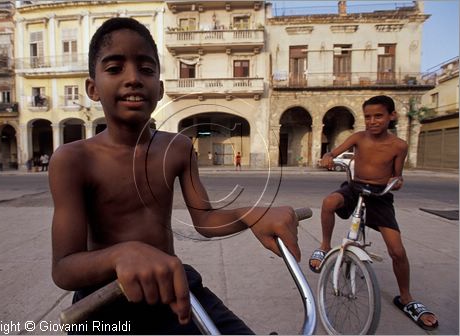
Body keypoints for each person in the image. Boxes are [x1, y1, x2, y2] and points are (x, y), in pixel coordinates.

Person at [49, 17, 301, 335]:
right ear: (92, 88)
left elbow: (205, 219)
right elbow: (64, 267)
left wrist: (251, 213)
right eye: (114, 69)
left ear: (160, 88)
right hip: (103, 300)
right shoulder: (72, 160)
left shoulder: (179, 147)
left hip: (174, 287)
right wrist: (122, 254)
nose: (133, 79)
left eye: (146, 69)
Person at [309, 95, 438, 331]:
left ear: (392, 116)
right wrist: (328, 157)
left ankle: (406, 298)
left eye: (378, 116)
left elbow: (397, 175)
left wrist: (397, 181)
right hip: (354, 188)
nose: (372, 121)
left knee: (397, 251)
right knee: (328, 202)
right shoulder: (359, 137)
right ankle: (325, 245)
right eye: (368, 117)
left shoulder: (399, 145)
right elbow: (334, 153)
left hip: (380, 196)